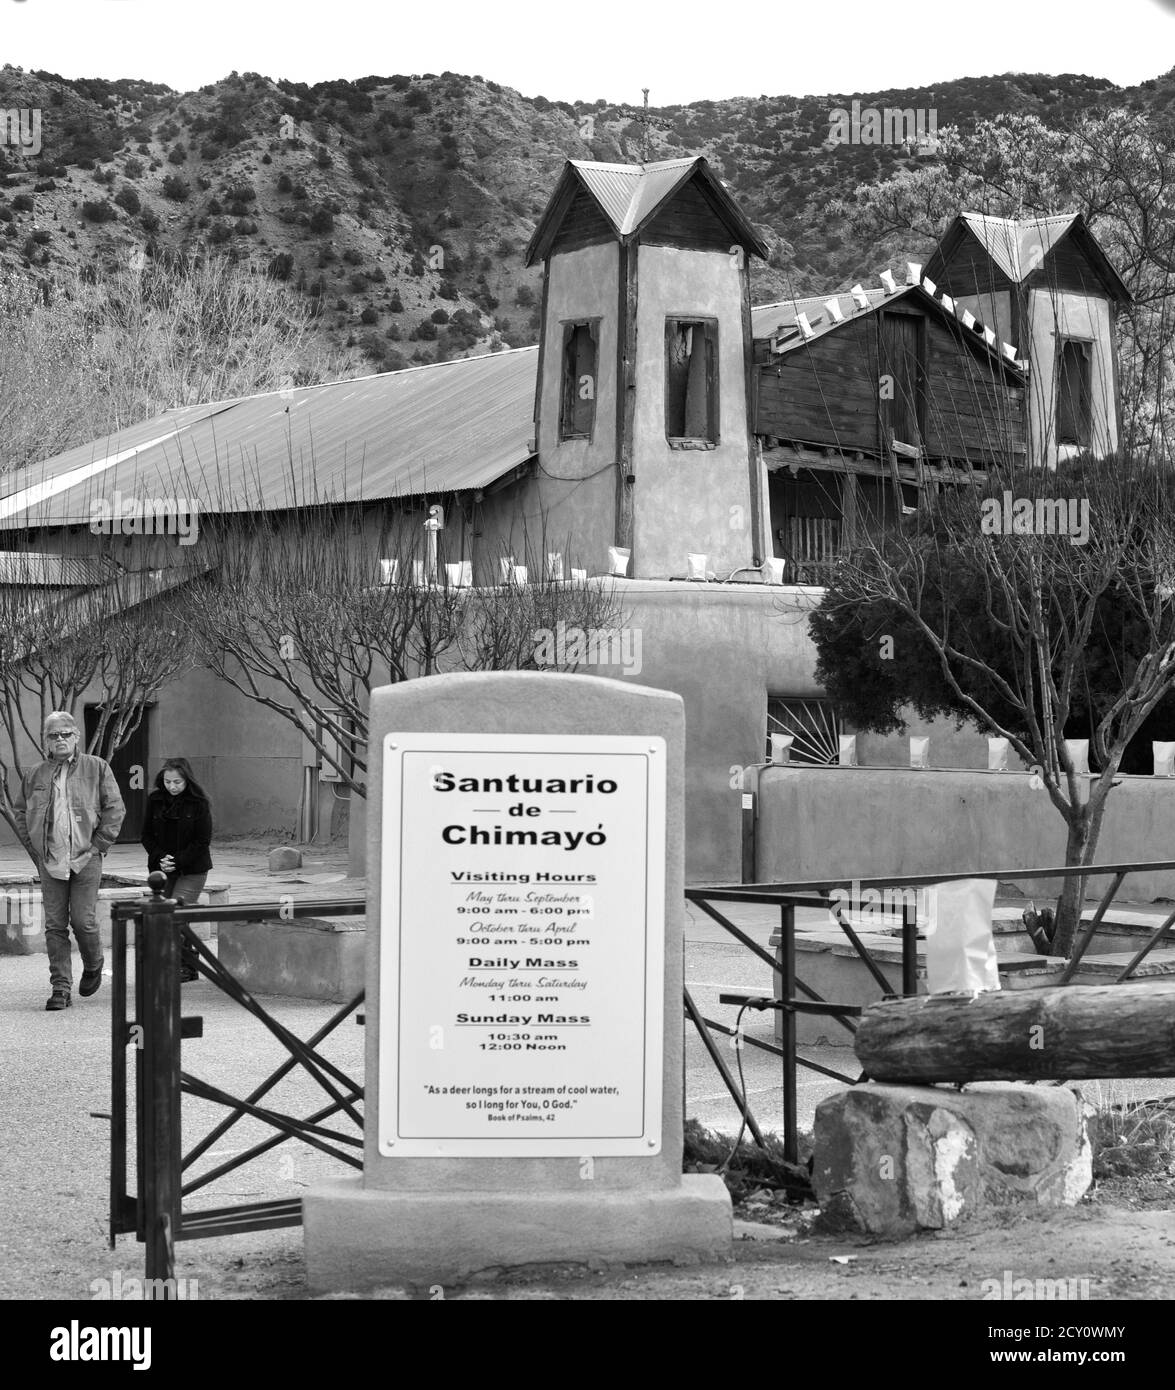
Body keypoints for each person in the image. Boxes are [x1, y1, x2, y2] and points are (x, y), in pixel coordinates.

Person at [13, 711, 126, 1011]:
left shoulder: (96, 767)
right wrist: (35, 850)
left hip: (86, 858)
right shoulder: (35, 774)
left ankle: (93, 963)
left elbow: (115, 809)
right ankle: (60, 988)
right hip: (50, 860)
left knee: (83, 921)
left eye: (65, 734)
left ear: (76, 737)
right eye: (53, 735)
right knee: (54, 926)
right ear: (45, 741)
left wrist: (98, 846)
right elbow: (21, 813)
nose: (59, 739)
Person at [141, 758, 213, 983]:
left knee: (177, 914)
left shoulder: (198, 802)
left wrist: (178, 861)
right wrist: (161, 858)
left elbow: (203, 841)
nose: (172, 786)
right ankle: (170, 963)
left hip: (192, 868)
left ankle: (185, 965)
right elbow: (146, 835)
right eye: (168, 781)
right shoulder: (155, 800)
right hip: (162, 869)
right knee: (162, 916)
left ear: (186, 780)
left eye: (177, 782)